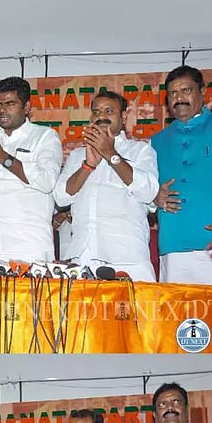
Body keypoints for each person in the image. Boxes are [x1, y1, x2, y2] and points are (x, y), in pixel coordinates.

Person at [53, 91, 159, 281]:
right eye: (96, 112)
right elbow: (61, 197)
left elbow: (150, 193)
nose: (101, 116)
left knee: (132, 312)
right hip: (82, 258)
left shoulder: (141, 151)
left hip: (127, 259)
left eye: (108, 111)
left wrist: (111, 154)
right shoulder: (78, 155)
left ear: (124, 116)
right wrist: (87, 166)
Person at [0, 76, 63, 263]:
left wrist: (3, 158)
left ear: (26, 108)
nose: (2, 110)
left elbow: (47, 182)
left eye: (10, 104)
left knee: (28, 294)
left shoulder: (45, 137)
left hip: (27, 246)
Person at [151, 65, 212, 284]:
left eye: (186, 90)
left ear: (202, 93)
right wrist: (155, 197)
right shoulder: (156, 141)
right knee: (177, 316)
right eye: (173, 93)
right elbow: (144, 189)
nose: (179, 98)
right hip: (173, 247)